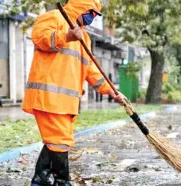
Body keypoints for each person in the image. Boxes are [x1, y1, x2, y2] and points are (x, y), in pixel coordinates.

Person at [21, 1, 126, 185]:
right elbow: (41, 38)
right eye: (91, 13)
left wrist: (112, 91)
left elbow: (91, 69)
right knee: (59, 141)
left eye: (95, 16)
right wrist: (67, 35)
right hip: (48, 98)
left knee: (57, 142)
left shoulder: (84, 38)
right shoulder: (54, 17)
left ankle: (41, 180)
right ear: (81, 6)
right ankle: (63, 182)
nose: (91, 18)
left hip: (66, 103)